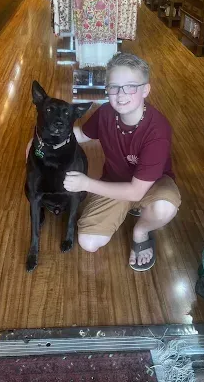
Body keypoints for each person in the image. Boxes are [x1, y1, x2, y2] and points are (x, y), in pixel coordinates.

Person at [63, 53, 181, 271]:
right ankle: (129, 209)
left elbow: (136, 191)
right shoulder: (106, 113)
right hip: (116, 183)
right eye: (114, 87)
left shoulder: (158, 131)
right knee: (88, 243)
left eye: (130, 87)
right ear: (107, 89)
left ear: (146, 89)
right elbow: (82, 135)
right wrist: (44, 139)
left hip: (150, 185)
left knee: (164, 207)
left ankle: (141, 230)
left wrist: (85, 184)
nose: (120, 94)